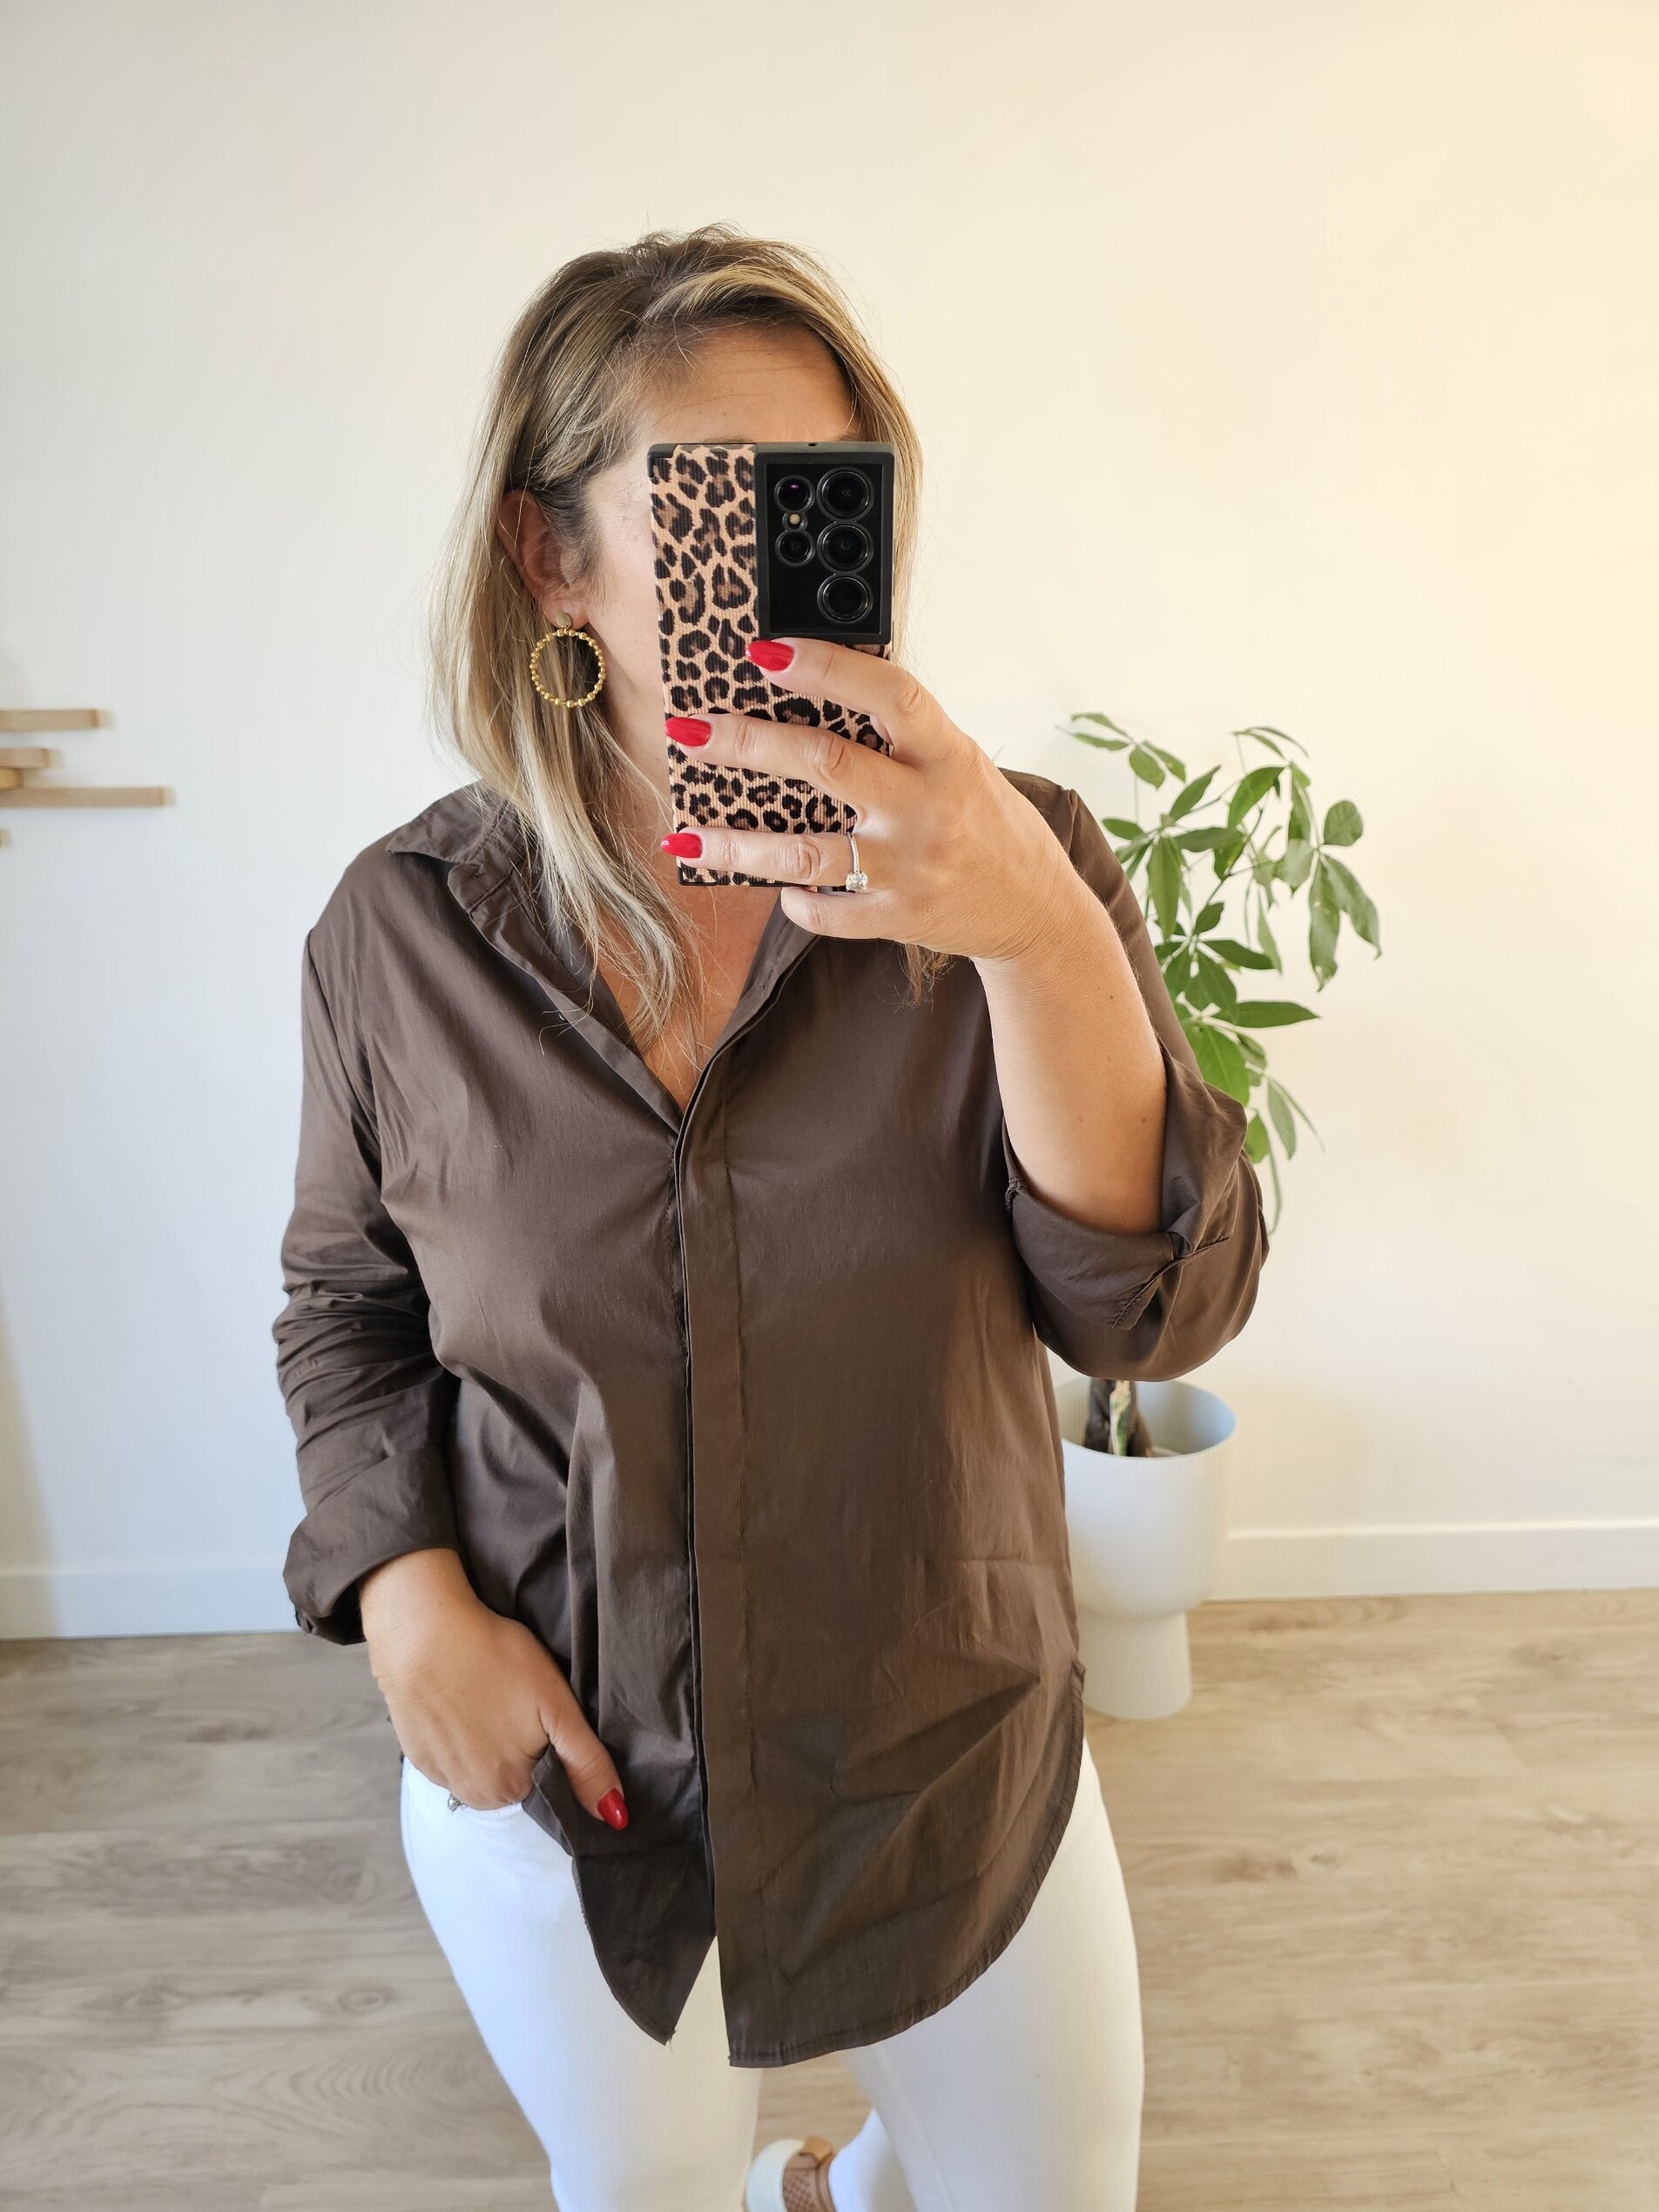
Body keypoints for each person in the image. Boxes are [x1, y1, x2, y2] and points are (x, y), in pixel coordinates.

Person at [272, 222, 1268, 2212]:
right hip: (573, 1765)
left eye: (828, 500)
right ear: (549, 557)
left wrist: (1034, 932)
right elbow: (346, 1303)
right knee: (635, 2188)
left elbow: (1145, 1318)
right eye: (710, 501)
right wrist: (404, 1597)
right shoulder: (403, 933)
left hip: (940, 1744)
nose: (782, 558)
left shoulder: (1013, 870)